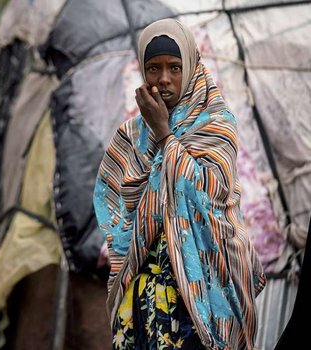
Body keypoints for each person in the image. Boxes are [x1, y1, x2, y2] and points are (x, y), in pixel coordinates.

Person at [93, 18, 266, 349]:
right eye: (153, 69)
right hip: (144, 301)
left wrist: (164, 134)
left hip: (204, 293)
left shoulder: (217, 125)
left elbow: (206, 194)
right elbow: (111, 204)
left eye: (174, 67)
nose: (163, 80)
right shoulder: (131, 137)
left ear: (191, 67)